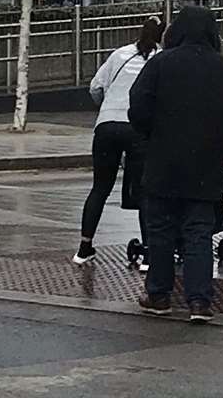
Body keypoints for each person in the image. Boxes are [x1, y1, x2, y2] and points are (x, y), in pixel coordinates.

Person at [128, 6, 223, 323]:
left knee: (161, 231)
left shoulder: (161, 64)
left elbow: (138, 108)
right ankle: (199, 301)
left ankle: (158, 294)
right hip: (206, 166)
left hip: (163, 162)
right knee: (198, 233)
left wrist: (152, 133)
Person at [74, 15, 162, 267]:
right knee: (144, 192)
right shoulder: (161, 58)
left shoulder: (119, 54)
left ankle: (84, 247)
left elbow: (95, 86)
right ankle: (147, 253)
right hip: (138, 129)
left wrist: (107, 109)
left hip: (106, 126)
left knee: (100, 187)